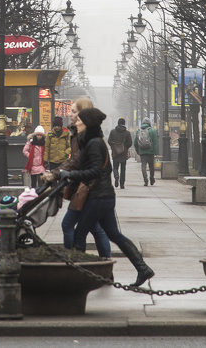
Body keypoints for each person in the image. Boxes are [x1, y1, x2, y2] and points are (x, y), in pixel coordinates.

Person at [59, 107, 154, 287]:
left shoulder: (94, 143)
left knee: (80, 234)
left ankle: (79, 278)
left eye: (79, 121)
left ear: (87, 124)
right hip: (105, 196)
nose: (76, 123)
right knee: (114, 234)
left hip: (98, 197)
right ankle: (142, 268)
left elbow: (95, 171)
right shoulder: (93, 141)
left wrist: (70, 175)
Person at [42, 97, 111, 259]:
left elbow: (76, 162)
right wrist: (57, 172)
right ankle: (100, 261)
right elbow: (73, 161)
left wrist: (56, 174)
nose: (70, 115)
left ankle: (75, 260)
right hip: (87, 188)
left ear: (84, 115)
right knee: (98, 229)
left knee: (72, 225)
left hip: (89, 189)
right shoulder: (78, 135)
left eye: (73, 112)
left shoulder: (88, 139)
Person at [107, 117, 132, 189]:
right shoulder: (127, 133)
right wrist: (125, 147)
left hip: (115, 152)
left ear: (118, 123)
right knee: (123, 169)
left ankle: (116, 176)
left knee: (115, 167)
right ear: (124, 124)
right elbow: (130, 143)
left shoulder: (113, 132)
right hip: (123, 153)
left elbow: (109, 141)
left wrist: (114, 146)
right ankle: (122, 184)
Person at [134, 116, 159, 186]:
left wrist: (137, 150)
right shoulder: (153, 130)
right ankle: (152, 179)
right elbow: (155, 143)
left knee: (143, 166)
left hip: (142, 152)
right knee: (151, 166)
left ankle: (145, 180)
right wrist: (156, 152)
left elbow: (135, 142)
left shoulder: (138, 131)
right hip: (150, 152)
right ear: (149, 123)